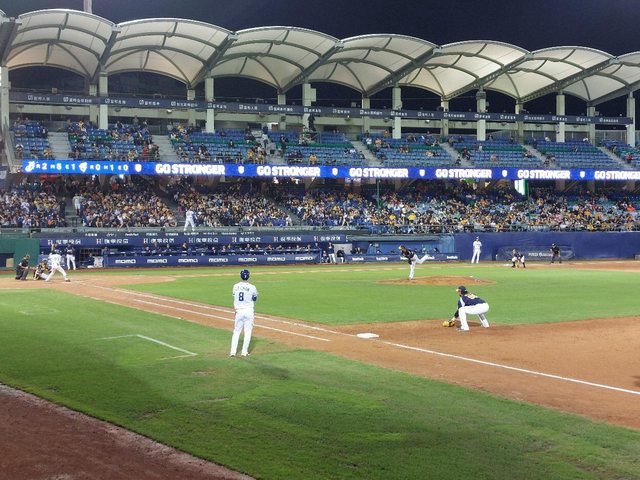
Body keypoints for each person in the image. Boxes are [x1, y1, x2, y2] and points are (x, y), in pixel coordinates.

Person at [230, 269, 258, 357]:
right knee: (248, 332)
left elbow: (234, 296)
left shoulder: (235, 286)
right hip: (249, 311)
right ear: (249, 276)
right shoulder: (252, 287)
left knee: (236, 331)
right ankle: (244, 352)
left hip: (239, 311)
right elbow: (254, 299)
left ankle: (233, 352)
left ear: (240, 276)